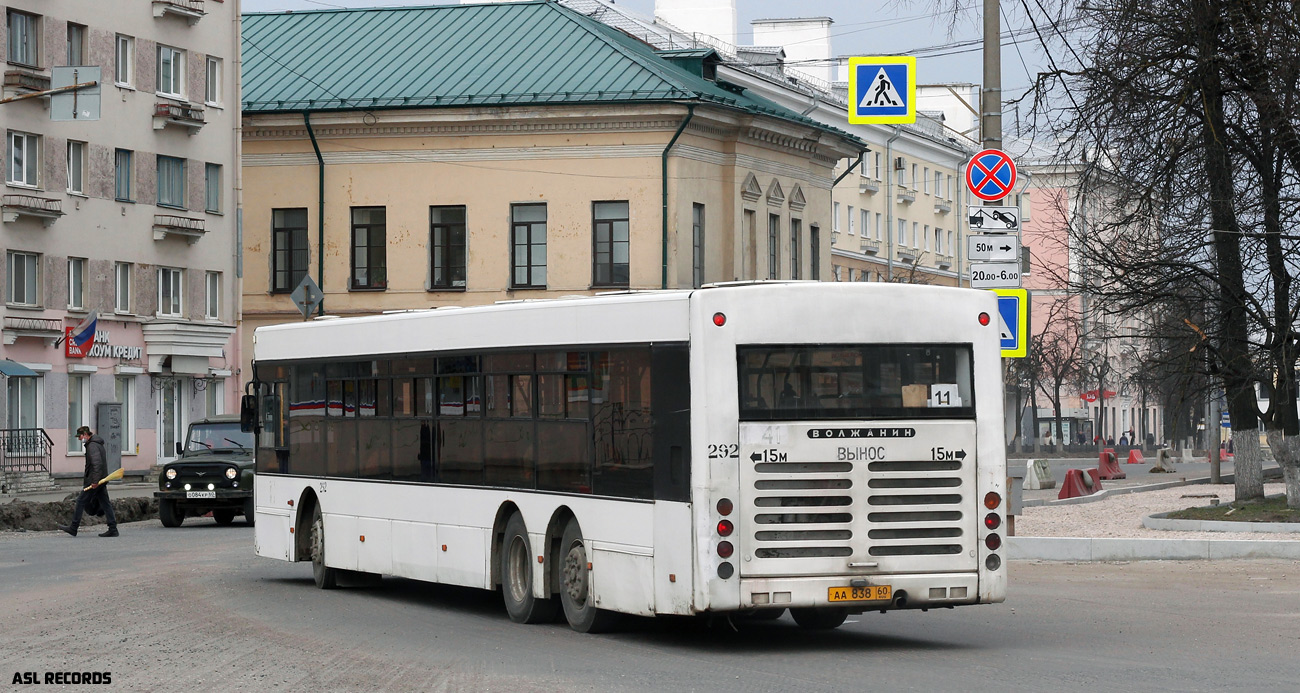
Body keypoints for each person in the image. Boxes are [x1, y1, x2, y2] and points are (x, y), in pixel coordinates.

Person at [59, 426, 118, 538]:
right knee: (105, 503)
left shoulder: (92, 446)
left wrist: (94, 482)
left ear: (86, 434)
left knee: (80, 501)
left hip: (95, 480)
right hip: (100, 479)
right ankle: (113, 528)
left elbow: (97, 464)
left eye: (80, 437)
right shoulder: (97, 444)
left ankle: (73, 528)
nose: (80, 439)